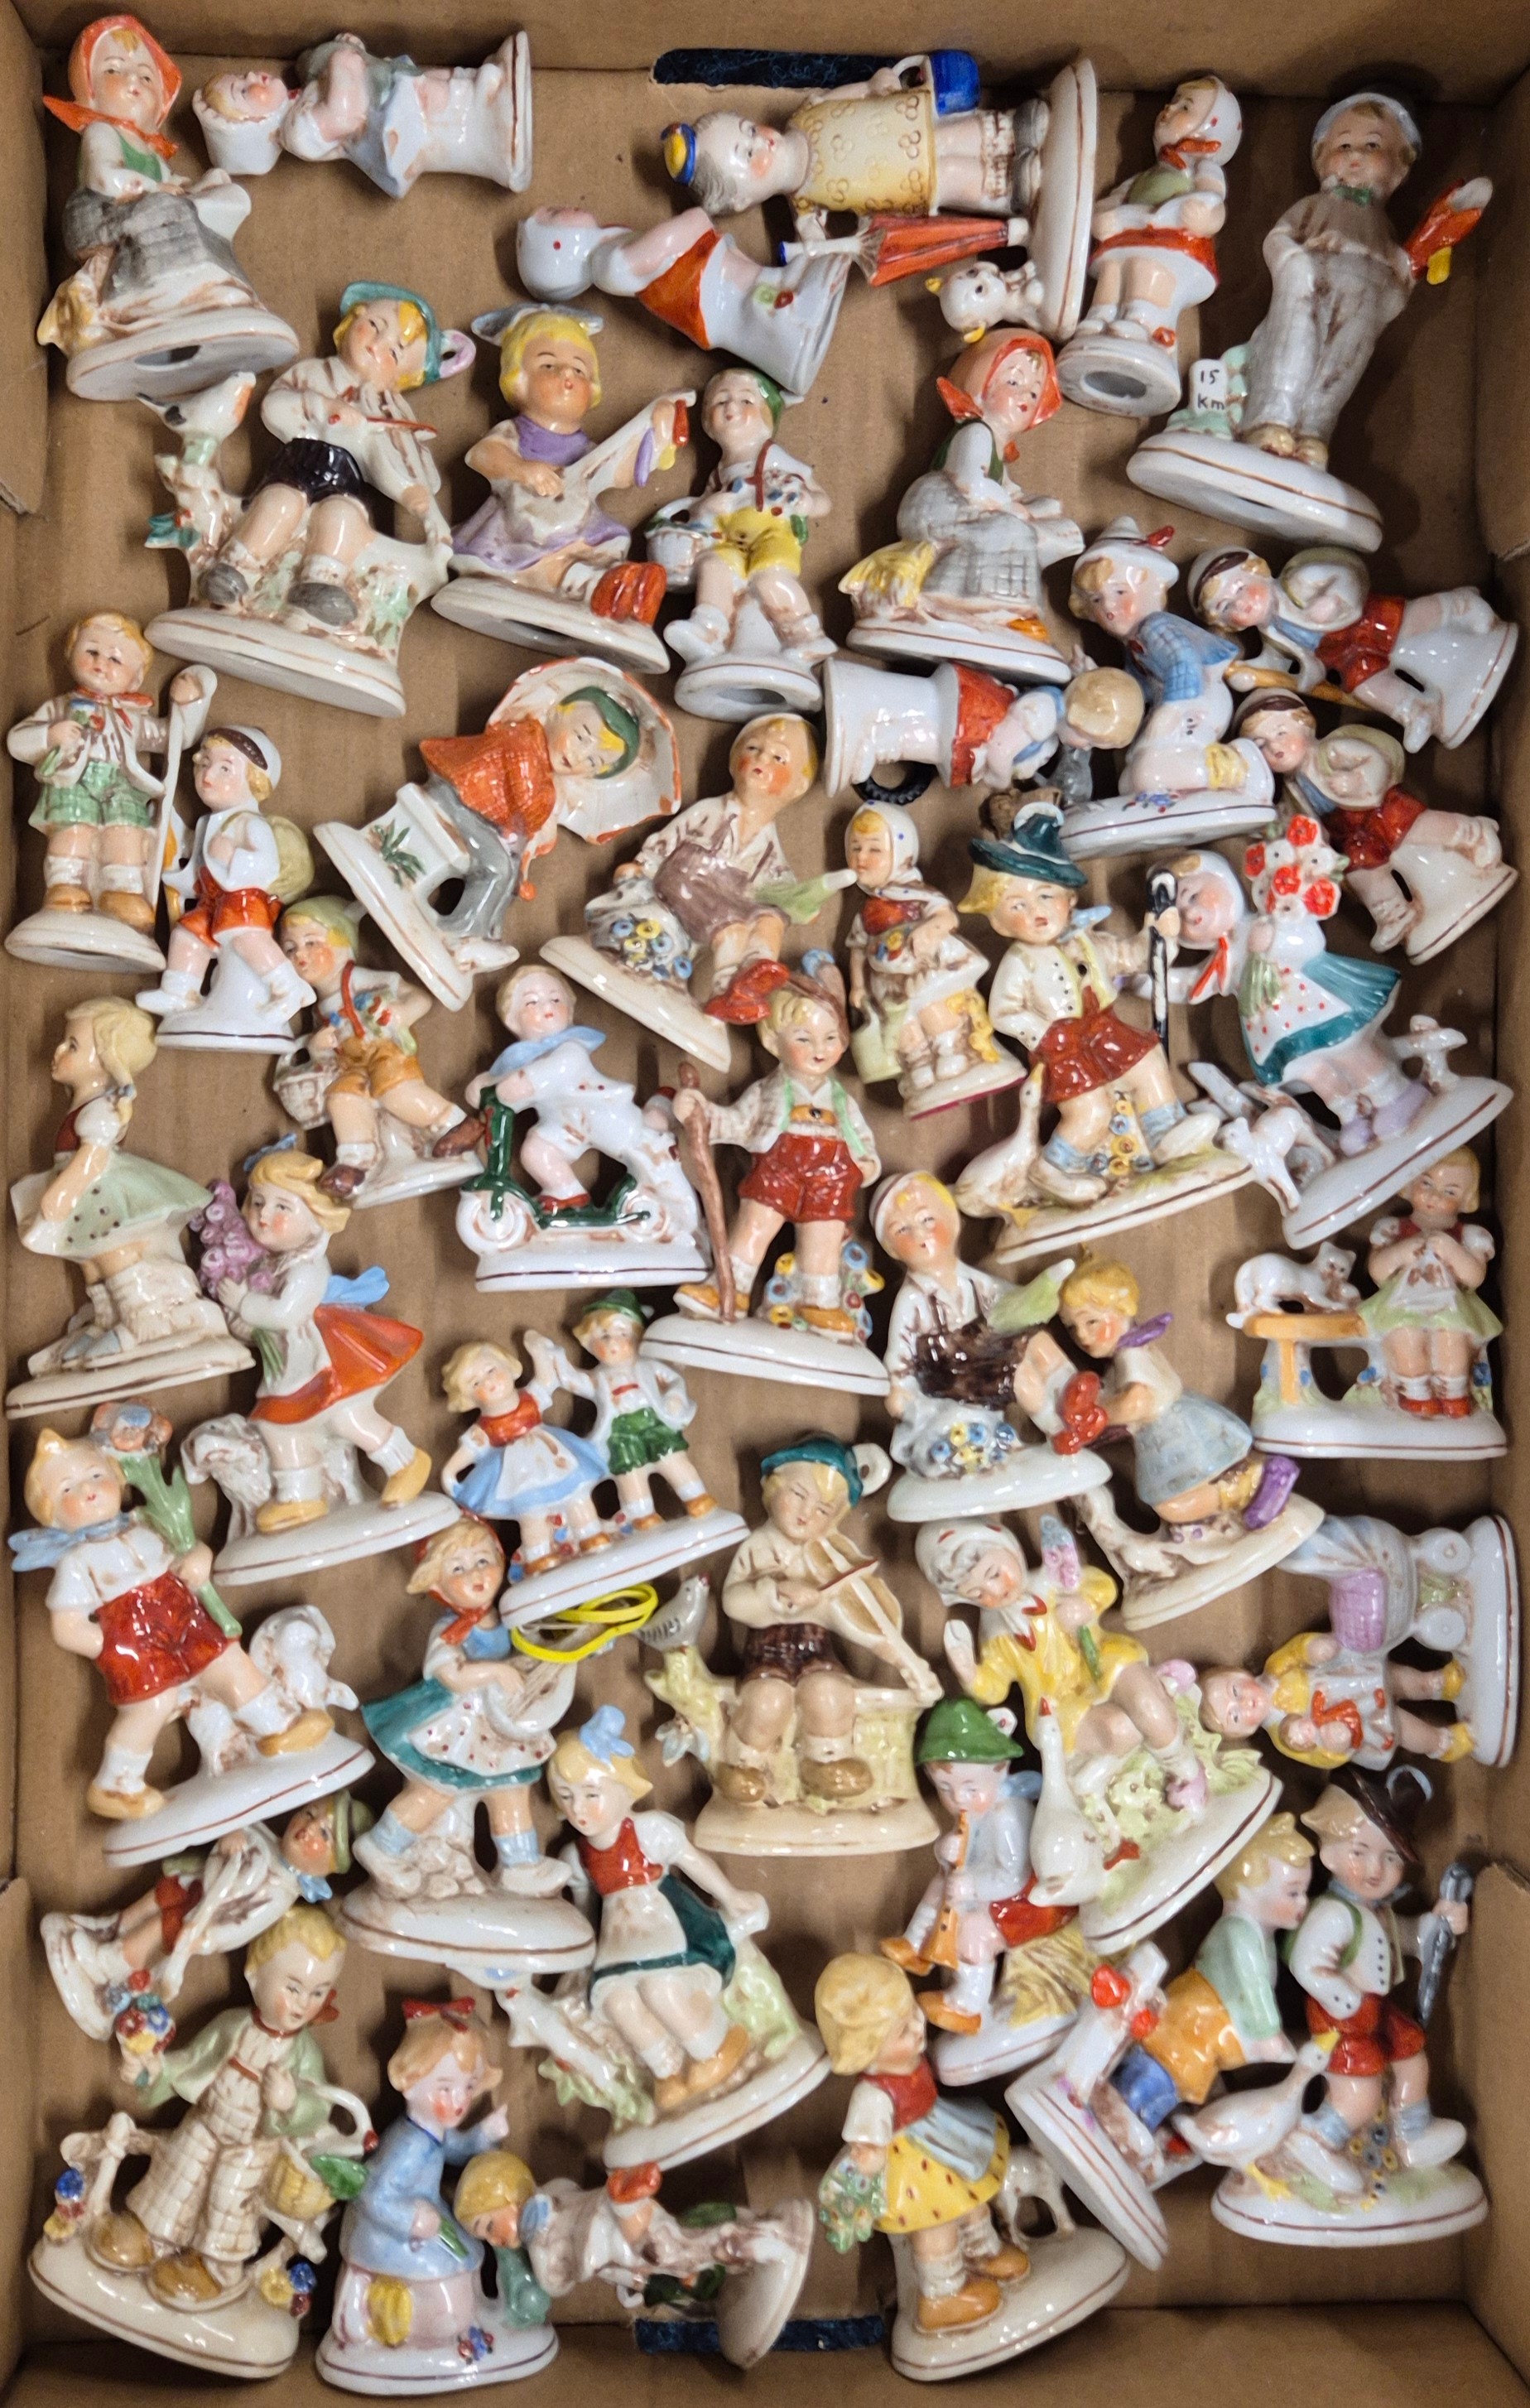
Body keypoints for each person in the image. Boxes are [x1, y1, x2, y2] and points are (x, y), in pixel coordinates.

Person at [14, 1418, 329, 1820]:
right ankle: (116, 1784)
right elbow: (66, 1627)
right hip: (133, 1638)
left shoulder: (146, 1522)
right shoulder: (77, 1561)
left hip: (183, 1616)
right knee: (153, 1705)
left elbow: (188, 1548)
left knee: (228, 1663)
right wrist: (113, 1647)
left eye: (95, 1475)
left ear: (117, 1479)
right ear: (51, 1513)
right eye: (67, 1489)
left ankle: (280, 1727)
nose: (87, 1489)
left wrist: (199, 1558)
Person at [959, 799, 1216, 1202]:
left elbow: (1133, 958)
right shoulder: (1020, 961)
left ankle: (1165, 1133)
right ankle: (1053, 1169)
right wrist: (1044, 1033)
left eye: (1046, 896)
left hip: (1105, 1029)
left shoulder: (1088, 942)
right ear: (998, 921)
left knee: (1149, 1063)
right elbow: (1004, 1012)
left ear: (1070, 900)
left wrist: (1158, 935)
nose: (1037, 912)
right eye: (1017, 905)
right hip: (1063, 1049)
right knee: (1090, 1112)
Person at [89, 1906, 346, 2305]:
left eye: (318, 1992)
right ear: (254, 1975)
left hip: (253, 2142)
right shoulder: (233, 2026)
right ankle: (150, 2235)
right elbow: (191, 2062)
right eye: (293, 1988)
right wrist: (151, 2069)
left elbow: (319, 2105)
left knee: (230, 2196)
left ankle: (214, 2267)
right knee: (180, 2166)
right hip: (209, 2120)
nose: (303, 2004)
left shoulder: (303, 2052)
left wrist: (291, 2102)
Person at [199, 282, 470, 628]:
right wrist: (324, 407)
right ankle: (234, 568)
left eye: (394, 352)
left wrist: (411, 495)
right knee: (279, 504)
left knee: (343, 519)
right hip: (297, 467)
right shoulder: (313, 373)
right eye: (374, 325)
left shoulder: (387, 410)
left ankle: (320, 584)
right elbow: (274, 408)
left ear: (402, 379)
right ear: (354, 319)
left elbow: (384, 462)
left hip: (345, 484)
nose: (377, 344)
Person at [549, 1707, 769, 2111]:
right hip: (619, 1946)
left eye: (591, 1795)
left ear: (623, 1788)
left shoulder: (648, 1830)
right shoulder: (577, 1856)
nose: (579, 1809)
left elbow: (693, 1862)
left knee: (662, 1988)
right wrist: (582, 1958)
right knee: (617, 2002)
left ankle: (715, 2045)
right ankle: (667, 2070)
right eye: (567, 1797)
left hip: (670, 1928)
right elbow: (584, 1912)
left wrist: (731, 1896)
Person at [209, 1147, 433, 1532]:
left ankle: (406, 1462)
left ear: (316, 1217)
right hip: (290, 1368)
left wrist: (244, 1303)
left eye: (282, 1207)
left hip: (326, 1362)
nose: (263, 1215)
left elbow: (285, 1314)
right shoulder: (272, 1265)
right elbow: (265, 1326)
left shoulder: (307, 1269)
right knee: (277, 1427)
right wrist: (241, 1318)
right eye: (258, 1202)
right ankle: (300, 1497)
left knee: (348, 1418)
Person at [354, 1515, 574, 1900]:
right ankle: (382, 1845)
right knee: (436, 1790)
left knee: (512, 1788)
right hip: (456, 1728)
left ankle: (519, 1864)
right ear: (437, 1585)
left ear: (501, 1562)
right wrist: (495, 1671)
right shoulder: (449, 1630)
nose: (476, 1574)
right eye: (458, 1568)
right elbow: (449, 1675)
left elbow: (545, 1647)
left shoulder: (513, 1620)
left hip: (499, 1729)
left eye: (483, 1561)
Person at [922, 1514, 1207, 1808]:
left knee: (1147, 1705)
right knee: (1119, 1729)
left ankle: (1186, 1771)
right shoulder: (996, 1631)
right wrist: (970, 1674)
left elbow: (1102, 1586)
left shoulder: (1054, 1577)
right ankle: (1106, 1766)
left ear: (1009, 1548)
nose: (994, 1591)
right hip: (1059, 1704)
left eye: (994, 1574)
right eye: (977, 1593)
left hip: (1103, 1660)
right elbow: (995, 1688)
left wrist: (1085, 1605)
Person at [815, 1953, 1031, 2333]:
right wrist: (867, 2162)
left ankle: (982, 2251)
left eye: (914, 2012)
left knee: (970, 2193)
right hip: (911, 2162)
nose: (918, 2027)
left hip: (940, 2132)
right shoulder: (872, 2097)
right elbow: (867, 2144)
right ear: (867, 2049)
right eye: (902, 2030)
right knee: (936, 2225)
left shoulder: (910, 2059)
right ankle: (942, 2295)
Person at [672, 962, 880, 1334]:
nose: (820, 1049)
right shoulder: (768, 1092)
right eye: (804, 1039)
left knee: (823, 1239)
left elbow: (859, 1135)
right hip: (779, 1166)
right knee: (754, 1226)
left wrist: (866, 1161)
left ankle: (818, 1302)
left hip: (831, 1174)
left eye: (830, 1038)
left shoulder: (842, 1100)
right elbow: (737, 1123)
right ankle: (730, 1288)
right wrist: (700, 1113)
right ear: (773, 1043)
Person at [715, 1435, 918, 1806]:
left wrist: (891, 1650)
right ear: (771, 1487)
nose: (806, 1513)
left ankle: (825, 1762)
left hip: (816, 1650)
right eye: (797, 1494)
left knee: (830, 1693)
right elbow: (733, 1601)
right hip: (768, 1653)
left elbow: (849, 1616)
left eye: (823, 1510)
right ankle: (744, 1765)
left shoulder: (829, 1555)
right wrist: (775, 1592)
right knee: (768, 1701)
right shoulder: (758, 1547)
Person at [841, 332, 1079, 644]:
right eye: (1013, 382)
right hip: (938, 506)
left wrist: (1040, 507)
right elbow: (972, 484)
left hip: (966, 511)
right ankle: (957, 600)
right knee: (1011, 530)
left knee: (1053, 532)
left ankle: (997, 609)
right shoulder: (976, 434)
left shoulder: (996, 448)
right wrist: (1017, 510)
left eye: (1035, 392)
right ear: (981, 387)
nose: (1025, 396)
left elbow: (1009, 491)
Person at [585, 712, 820, 1025]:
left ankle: (755, 971)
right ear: (734, 761)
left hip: (718, 901)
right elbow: (667, 841)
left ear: (798, 786)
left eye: (779, 758)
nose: (762, 759)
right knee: (734, 927)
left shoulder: (768, 844)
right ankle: (725, 989)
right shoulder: (710, 811)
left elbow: (778, 879)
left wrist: (799, 900)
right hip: (683, 883)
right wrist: (642, 867)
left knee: (772, 916)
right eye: (753, 749)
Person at [450, 305, 678, 624]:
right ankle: (594, 588)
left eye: (579, 370)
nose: (567, 375)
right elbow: (482, 455)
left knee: (596, 552)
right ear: (519, 380)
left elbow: (620, 472)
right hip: (520, 531)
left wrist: (659, 432)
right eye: (549, 365)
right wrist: (523, 469)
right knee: (544, 563)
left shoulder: (586, 450)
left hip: (579, 526)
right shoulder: (516, 433)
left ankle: (625, 588)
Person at [1288, 1768, 1470, 2168]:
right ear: (1329, 1852)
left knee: (1412, 2059)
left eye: (1390, 1858)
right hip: (1341, 2020)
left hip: (1375, 2009)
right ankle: (1317, 2140)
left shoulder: (1377, 1911)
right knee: (1360, 2095)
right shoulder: (1333, 1915)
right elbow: (1306, 1963)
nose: (1375, 1869)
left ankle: (1413, 2135)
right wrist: (1346, 2000)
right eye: (1360, 1852)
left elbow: (1405, 1938)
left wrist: (1438, 1926)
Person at [325, 2003, 513, 2368]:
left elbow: (452, 2149)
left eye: (468, 2087)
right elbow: (372, 2195)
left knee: (468, 2253)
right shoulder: (408, 2144)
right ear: (411, 2084)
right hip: (390, 2231)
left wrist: (482, 2135)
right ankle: (430, 2331)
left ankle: (465, 2323)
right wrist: (411, 2219)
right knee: (449, 2283)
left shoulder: (430, 2131)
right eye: (446, 2088)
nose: (460, 2101)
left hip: (426, 2214)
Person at [664, 57, 1049, 234]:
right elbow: (816, 252)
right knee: (950, 175)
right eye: (749, 155)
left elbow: (854, 93)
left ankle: (1015, 129)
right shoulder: (806, 204)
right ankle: (1010, 186)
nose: (761, 141)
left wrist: (872, 85)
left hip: (908, 121)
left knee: (954, 134)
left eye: (749, 130)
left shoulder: (806, 113)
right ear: (743, 201)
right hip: (910, 180)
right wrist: (813, 248)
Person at [1109, 1815, 1316, 2142]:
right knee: (1156, 2076)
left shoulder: (1259, 1936)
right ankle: (1116, 2120)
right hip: (1193, 2023)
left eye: (1304, 1891)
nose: (1303, 1902)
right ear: (1248, 1890)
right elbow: (1254, 1990)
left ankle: (1133, 2129)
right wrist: (1269, 2034)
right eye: (1293, 1893)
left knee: (1169, 2085)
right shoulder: (1240, 1932)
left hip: (1205, 2032)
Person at [7, 611, 210, 937]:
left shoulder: (132, 718)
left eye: (115, 659)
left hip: (121, 786)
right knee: (73, 832)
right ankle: (66, 887)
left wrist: (188, 706)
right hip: (74, 783)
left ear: (135, 678)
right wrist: (49, 736)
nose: (101, 664)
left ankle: (122, 892)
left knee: (125, 835)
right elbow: (17, 741)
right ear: (71, 656)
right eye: (92, 652)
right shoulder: (62, 707)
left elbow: (174, 738)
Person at [277, 894, 465, 1200]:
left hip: (384, 1054)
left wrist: (402, 1013)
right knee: (341, 1098)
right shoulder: (317, 1004)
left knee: (395, 1094)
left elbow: (420, 998)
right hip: (351, 1066)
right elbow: (328, 1053)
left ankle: (453, 1124)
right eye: (290, 948)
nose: (300, 955)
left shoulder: (358, 979)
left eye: (312, 943)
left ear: (343, 945)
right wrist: (316, 1046)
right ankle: (356, 1162)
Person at [138, 726, 314, 1034]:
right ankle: (179, 993)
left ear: (254, 780)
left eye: (224, 769)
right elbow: (195, 860)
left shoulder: (251, 823)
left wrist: (233, 855)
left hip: (242, 902)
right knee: (187, 937)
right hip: (212, 903)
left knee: (248, 941)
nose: (208, 776)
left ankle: (289, 988)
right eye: (204, 764)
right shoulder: (209, 822)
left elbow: (267, 865)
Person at [662, 366, 834, 672]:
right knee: (712, 566)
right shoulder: (719, 472)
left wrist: (808, 503)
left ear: (768, 417)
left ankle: (807, 637)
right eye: (721, 401)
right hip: (730, 541)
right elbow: (700, 510)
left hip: (772, 535)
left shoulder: (773, 456)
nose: (731, 409)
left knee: (769, 579)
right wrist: (711, 505)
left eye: (746, 401)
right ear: (707, 421)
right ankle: (709, 629)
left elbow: (822, 499)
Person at [844, 803, 1007, 1106]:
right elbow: (857, 949)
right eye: (855, 849)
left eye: (874, 849)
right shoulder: (867, 912)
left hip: (927, 966)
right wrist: (858, 986)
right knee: (901, 1022)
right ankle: (919, 1063)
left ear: (901, 854)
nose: (862, 858)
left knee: (932, 1007)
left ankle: (951, 1051)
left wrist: (929, 931)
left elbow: (947, 918)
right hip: (887, 979)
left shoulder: (918, 894)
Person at [438, 1338, 607, 1572]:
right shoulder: (483, 1429)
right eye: (476, 1383)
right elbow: (469, 1451)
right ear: (468, 1398)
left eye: (491, 1370)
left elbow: (546, 1380)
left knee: (576, 1493)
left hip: (553, 1453)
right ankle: (539, 1554)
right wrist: (449, 1474)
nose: (489, 1382)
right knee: (531, 1514)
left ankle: (589, 1533)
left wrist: (538, 1353)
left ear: (508, 1367)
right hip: (517, 1472)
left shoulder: (530, 1398)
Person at [555, 1293, 715, 1528]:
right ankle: (642, 1514)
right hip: (621, 1432)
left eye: (622, 1334)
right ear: (590, 1343)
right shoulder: (599, 1377)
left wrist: (675, 1397)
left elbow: (674, 1380)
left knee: (672, 1459)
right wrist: (554, 1359)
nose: (613, 1343)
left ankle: (696, 1496)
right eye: (604, 1336)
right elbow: (575, 1381)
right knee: (630, 1472)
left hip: (652, 1423)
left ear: (637, 1337)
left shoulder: (647, 1366)